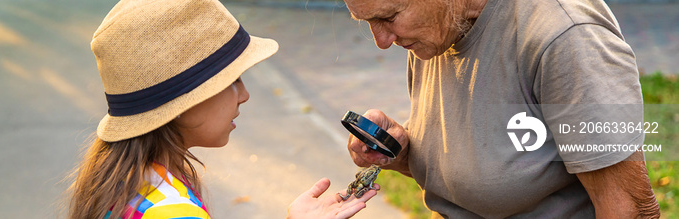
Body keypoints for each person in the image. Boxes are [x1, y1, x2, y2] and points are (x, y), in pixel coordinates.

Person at [342, 0, 661, 218]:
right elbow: (485, 167)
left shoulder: (566, 37)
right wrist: (401, 152)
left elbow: (630, 210)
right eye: (367, 21)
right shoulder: (438, 28)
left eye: (387, 17)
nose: (381, 40)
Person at [66, 0, 377, 218]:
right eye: (232, 80)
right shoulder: (174, 213)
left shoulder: (129, 182)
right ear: (181, 100)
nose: (244, 95)